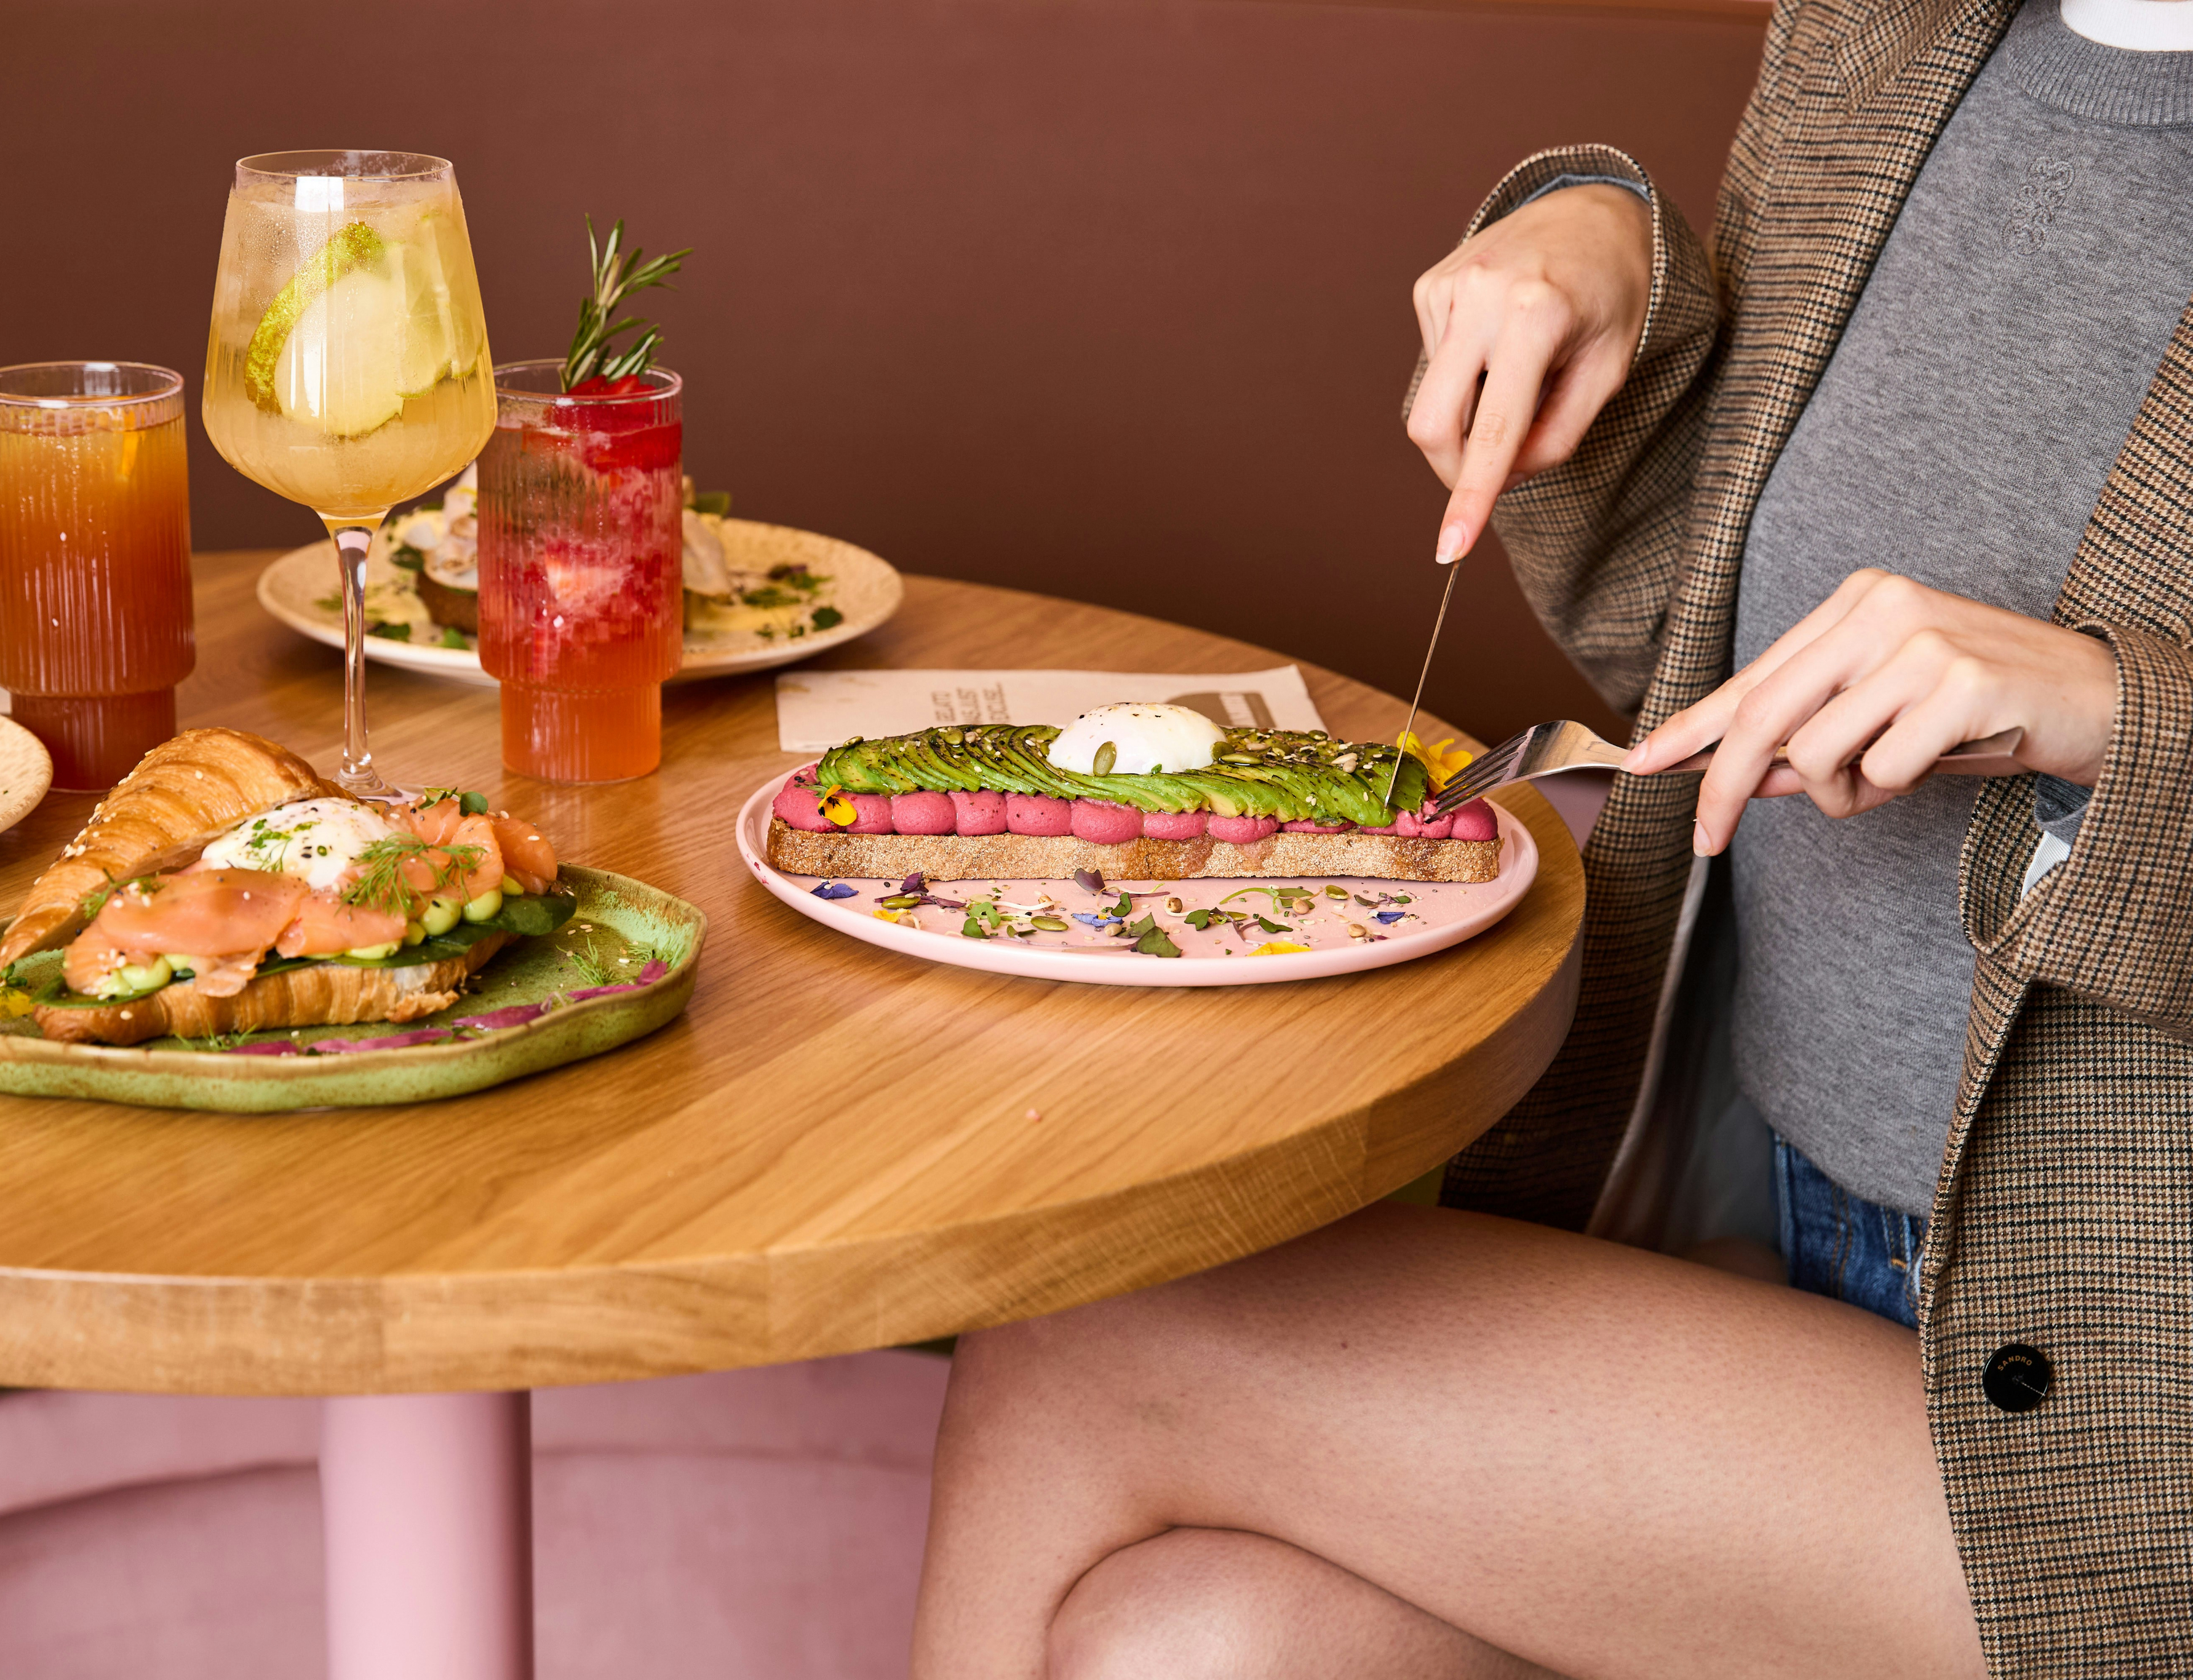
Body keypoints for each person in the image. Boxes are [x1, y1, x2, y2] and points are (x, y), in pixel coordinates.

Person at [909, 0, 2193, 1670]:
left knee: (1088, 1339)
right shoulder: (1894, 27)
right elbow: (1692, 634)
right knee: (1197, 1641)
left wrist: (2116, 711)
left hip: (2127, 1401)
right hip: (1799, 1267)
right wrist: (1617, 262)